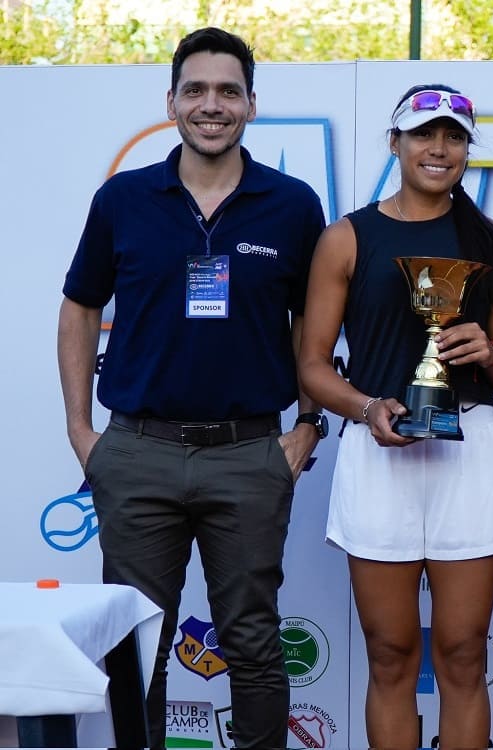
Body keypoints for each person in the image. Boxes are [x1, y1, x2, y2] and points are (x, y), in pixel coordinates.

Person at [56, 27, 327, 749]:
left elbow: (314, 322)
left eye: (228, 91)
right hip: (137, 452)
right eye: (197, 90)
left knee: (255, 643)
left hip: (249, 453)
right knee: (137, 648)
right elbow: (80, 307)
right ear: (171, 101)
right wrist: (83, 434)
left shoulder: (293, 205)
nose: (213, 105)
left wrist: (306, 426)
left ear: (252, 104)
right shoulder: (123, 199)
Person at [297, 83, 493, 749]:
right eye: (424, 134)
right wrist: (367, 409)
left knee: (461, 653)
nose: (438, 148)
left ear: (467, 149)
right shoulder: (346, 237)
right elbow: (310, 366)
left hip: (469, 446)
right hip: (377, 448)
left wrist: (489, 348)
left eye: (453, 136)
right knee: (391, 652)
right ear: (395, 142)